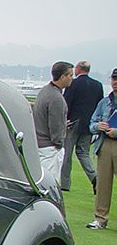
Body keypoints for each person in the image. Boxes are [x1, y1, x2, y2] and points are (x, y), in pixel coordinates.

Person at [33, 61, 74, 196]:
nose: (71, 79)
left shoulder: (45, 91)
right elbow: (55, 127)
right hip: (50, 147)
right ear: (62, 77)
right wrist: (59, 143)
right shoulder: (56, 98)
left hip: (39, 143)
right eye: (70, 75)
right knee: (49, 185)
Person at [61, 60, 104, 192]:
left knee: (67, 154)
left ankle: (64, 184)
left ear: (78, 69)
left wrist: (64, 120)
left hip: (73, 122)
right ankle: (94, 177)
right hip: (88, 123)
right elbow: (99, 105)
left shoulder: (73, 83)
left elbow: (66, 103)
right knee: (83, 153)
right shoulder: (98, 85)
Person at [86, 69, 117, 229]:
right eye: (114, 79)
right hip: (104, 143)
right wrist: (98, 126)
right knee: (103, 183)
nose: (115, 83)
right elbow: (91, 124)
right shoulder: (105, 102)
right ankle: (100, 218)